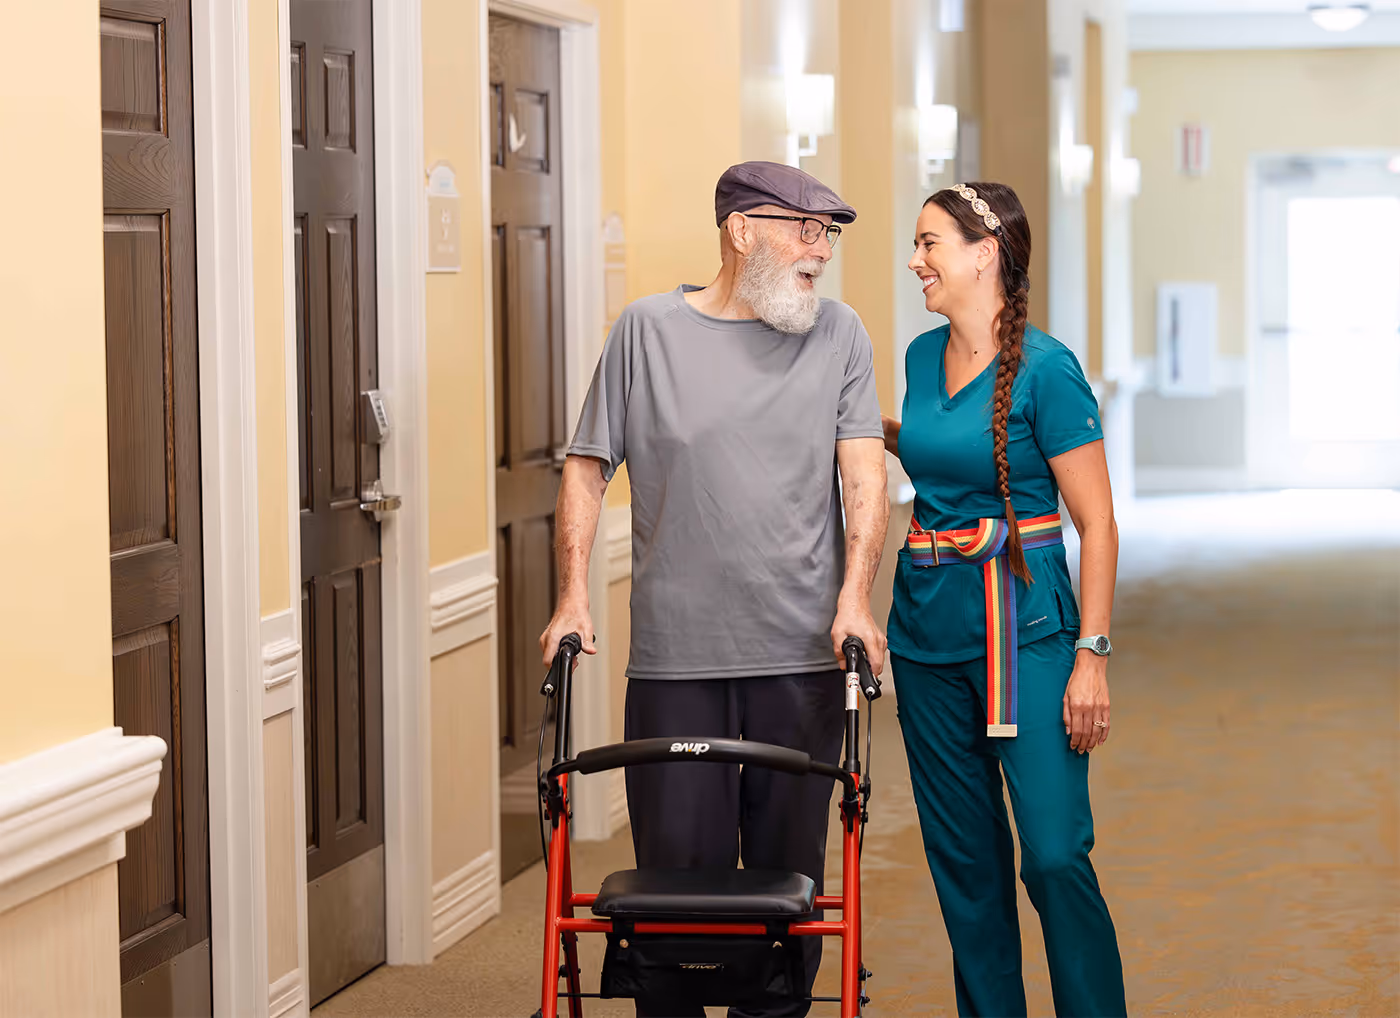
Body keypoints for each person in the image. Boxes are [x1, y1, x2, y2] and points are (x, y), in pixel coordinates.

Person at [539, 160, 889, 1018]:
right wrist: (572, 597)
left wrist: (854, 598)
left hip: (801, 659)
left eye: (829, 235)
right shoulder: (646, 331)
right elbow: (587, 471)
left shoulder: (839, 335)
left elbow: (864, 479)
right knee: (674, 902)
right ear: (741, 231)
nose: (821, 251)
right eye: (804, 230)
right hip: (676, 663)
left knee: (789, 894)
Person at [882, 183, 1126, 1017]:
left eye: (928, 244)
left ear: (984, 253)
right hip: (925, 636)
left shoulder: (1048, 370)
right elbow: (929, 441)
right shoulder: (919, 359)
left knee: (1055, 855)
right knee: (967, 869)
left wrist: (1090, 657)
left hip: (1026, 632)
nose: (915, 261)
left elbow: (1096, 521)